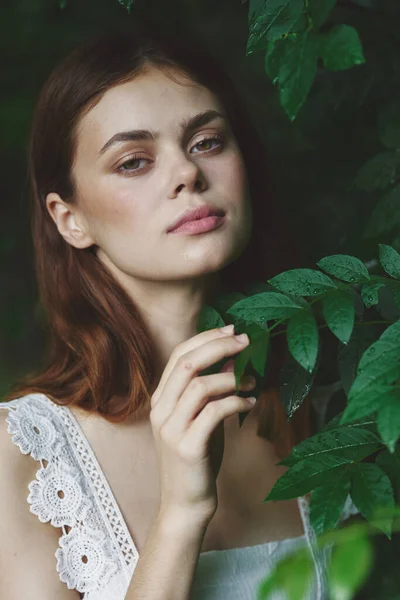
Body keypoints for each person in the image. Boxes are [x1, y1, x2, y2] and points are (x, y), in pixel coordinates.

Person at [0, 22, 358, 600]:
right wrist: (182, 513)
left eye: (207, 142)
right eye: (134, 161)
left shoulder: (323, 410)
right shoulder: (23, 458)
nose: (188, 174)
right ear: (71, 218)